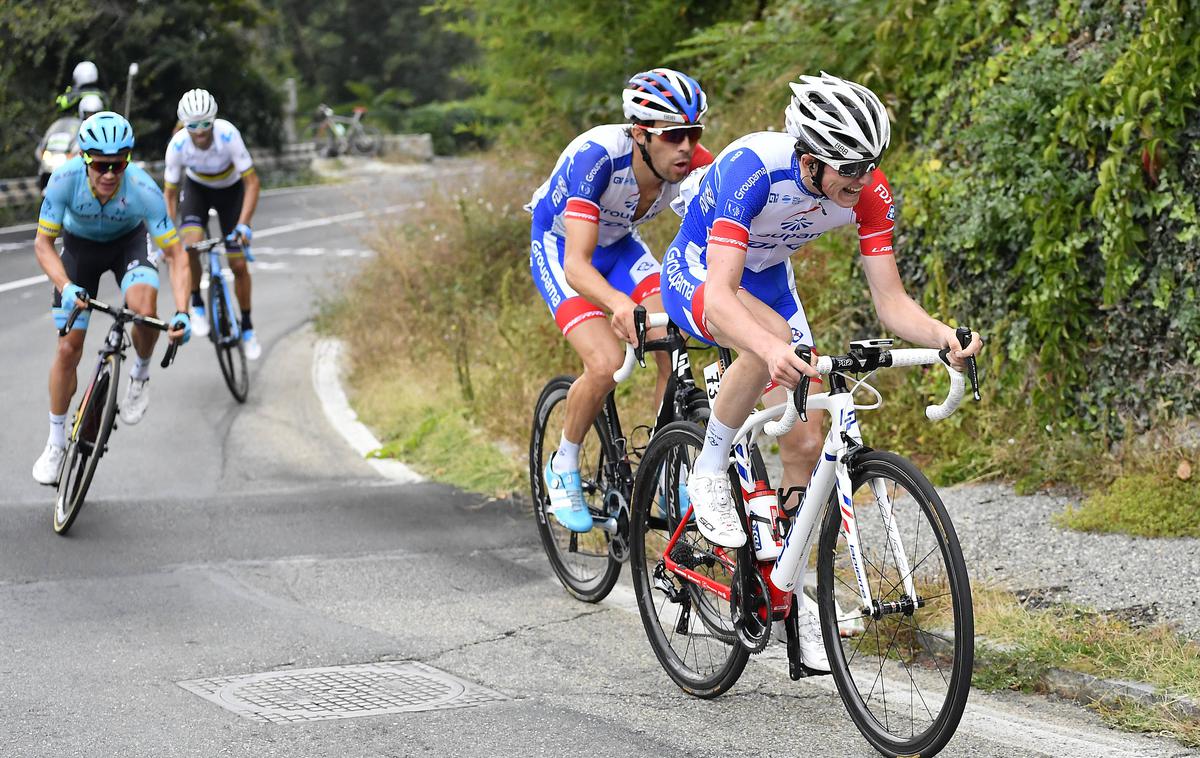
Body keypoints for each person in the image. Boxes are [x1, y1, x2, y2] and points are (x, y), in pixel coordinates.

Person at [661, 72, 984, 668]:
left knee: (807, 437)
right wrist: (768, 347)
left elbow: (890, 301)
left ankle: (784, 583)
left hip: (769, 279)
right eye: (847, 170)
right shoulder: (752, 168)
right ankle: (708, 467)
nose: (860, 183)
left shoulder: (868, 188)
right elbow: (723, 295)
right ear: (809, 159)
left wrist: (944, 337)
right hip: (702, 272)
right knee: (771, 345)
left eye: (867, 168)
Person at [525, 68, 714, 533]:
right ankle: (564, 461)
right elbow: (577, 266)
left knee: (674, 336)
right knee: (607, 362)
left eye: (693, 133)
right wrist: (617, 304)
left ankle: (669, 465)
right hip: (564, 250)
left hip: (621, 247)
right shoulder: (597, 158)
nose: (686, 147)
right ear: (640, 134)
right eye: (673, 136)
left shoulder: (699, 164)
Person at [31, 112, 191, 485]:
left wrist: (183, 311)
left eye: (118, 164)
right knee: (69, 349)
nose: (109, 174)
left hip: (127, 246)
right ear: (84, 159)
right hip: (79, 252)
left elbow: (177, 254)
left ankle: (140, 374)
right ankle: (55, 444)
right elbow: (43, 245)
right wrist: (67, 287)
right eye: (101, 165)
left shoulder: (142, 188)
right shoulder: (63, 179)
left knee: (145, 310)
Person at [163, 88, 262, 358]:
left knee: (238, 263)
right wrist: (166, 235)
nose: (201, 131)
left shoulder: (228, 135)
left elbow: (252, 183)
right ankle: (196, 302)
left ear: (214, 120)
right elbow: (170, 195)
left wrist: (244, 224)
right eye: (193, 125)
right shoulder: (178, 145)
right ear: (184, 124)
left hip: (231, 192)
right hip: (197, 190)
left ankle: (248, 326)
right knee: (191, 245)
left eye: (206, 123)